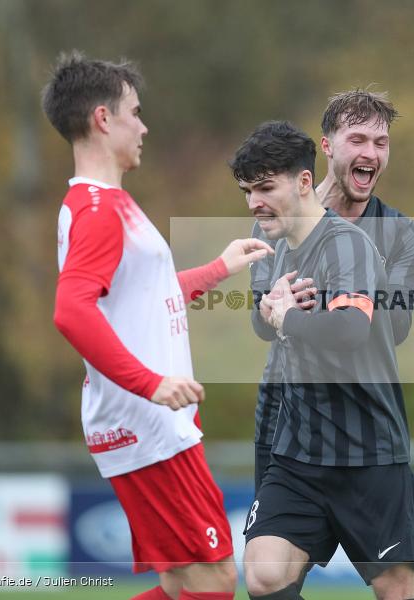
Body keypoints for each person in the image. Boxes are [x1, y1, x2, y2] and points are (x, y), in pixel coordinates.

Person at [43, 51, 272, 600]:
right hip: (147, 424)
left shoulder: (107, 205)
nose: (144, 126)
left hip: (147, 424)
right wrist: (151, 383)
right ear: (103, 118)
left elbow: (145, 298)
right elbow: (72, 310)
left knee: (185, 583)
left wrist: (218, 269)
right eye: (135, 112)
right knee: (214, 582)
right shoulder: (99, 210)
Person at [248, 89, 414, 599]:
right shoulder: (278, 219)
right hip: (291, 419)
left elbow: (394, 329)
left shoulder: (399, 234)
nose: (371, 153)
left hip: (367, 420)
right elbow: (263, 323)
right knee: (271, 572)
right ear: (327, 146)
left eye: (381, 142)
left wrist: (347, 285)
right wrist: (277, 307)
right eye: (358, 139)